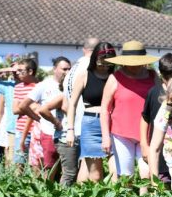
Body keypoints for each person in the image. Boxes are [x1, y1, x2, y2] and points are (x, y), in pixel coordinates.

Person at [101, 41, 159, 183]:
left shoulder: (153, 76)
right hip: (121, 134)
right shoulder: (114, 78)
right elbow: (105, 109)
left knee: (147, 173)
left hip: (147, 133)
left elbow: (161, 100)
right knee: (125, 176)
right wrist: (105, 137)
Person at [66, 42, 117, 182]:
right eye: (102, 63)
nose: (105, 66)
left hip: (112, 125)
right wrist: (70, 129)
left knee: (117, 172)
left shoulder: (116, 76)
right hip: (91, 125)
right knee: (95, 175)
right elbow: (72, 104)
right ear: (95, 58)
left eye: (109, 63)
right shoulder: (84, 75)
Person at [17, 57, 71, 180]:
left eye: (69, 69)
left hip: (67, 134)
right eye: (64, 69)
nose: (67, 72)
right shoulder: (44, 85)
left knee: (67, 170)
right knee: (50, 168)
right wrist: (38, 119)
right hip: (49, 133)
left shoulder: (71, 85)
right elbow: (23, 105)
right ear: (55, 69)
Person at [59, 37, 99, 185]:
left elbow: (66, 104)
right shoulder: (91, 67)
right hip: (88, 120)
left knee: (82, 165)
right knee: (88, 166)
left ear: (84, 49)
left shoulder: (73, 68)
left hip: (74, 122)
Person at [140, 53, 172, 190]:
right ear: (161, 74)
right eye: (168, 78)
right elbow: (145, 118)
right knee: (160, 189)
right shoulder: (154, 92)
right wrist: (144, 144)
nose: (171, 82)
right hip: (159, 154)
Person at [11, 58, 39, 171]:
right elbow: (14, 109)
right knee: (19, 161)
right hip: (21, 129)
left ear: (30, 71)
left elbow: (36, 108)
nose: (17, 73)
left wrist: (23, 106)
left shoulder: (39, 86)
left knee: (36, 163)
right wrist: (29, 107)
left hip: (35, 129)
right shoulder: (18, 87)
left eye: (21, 70)